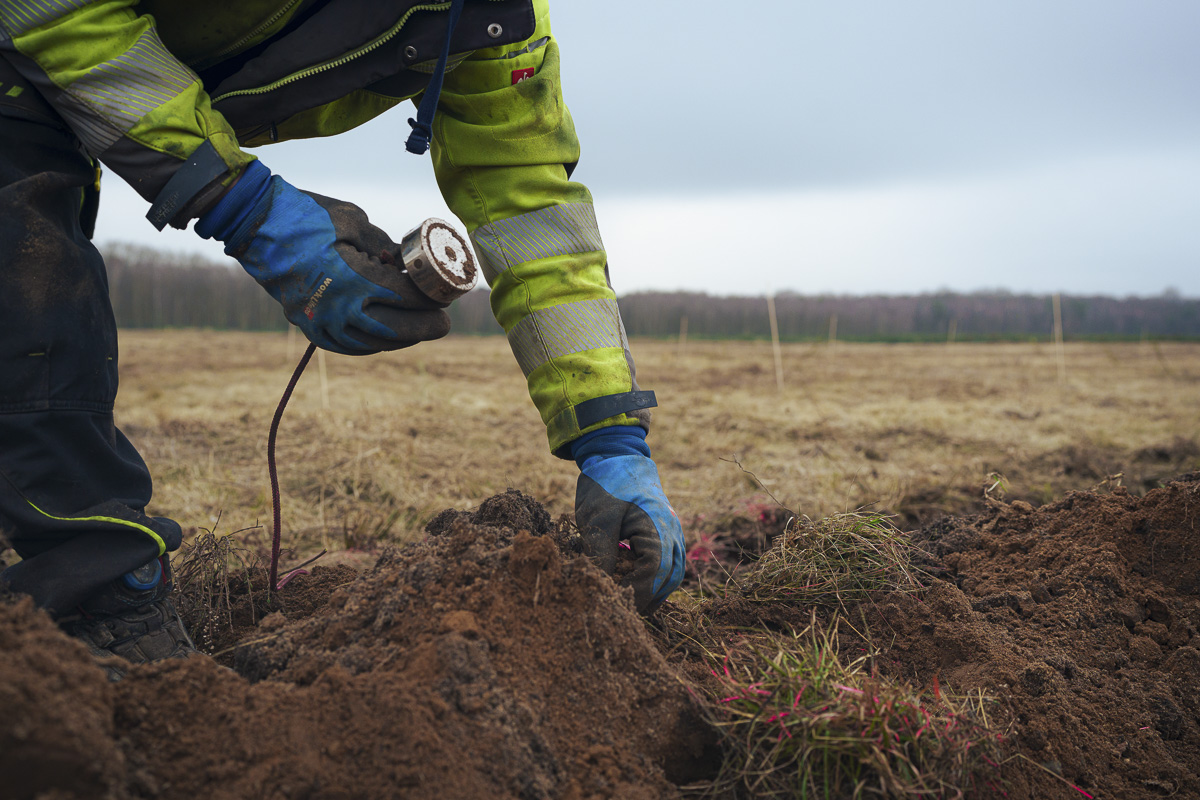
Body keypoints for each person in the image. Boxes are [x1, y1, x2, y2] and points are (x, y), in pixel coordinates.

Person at [0, 0, 685, 678]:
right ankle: (94, 598)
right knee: (29, 261)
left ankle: (93, 589)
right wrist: (240, 203)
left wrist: (612, 438)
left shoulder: (494, 19)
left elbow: (535, 216)